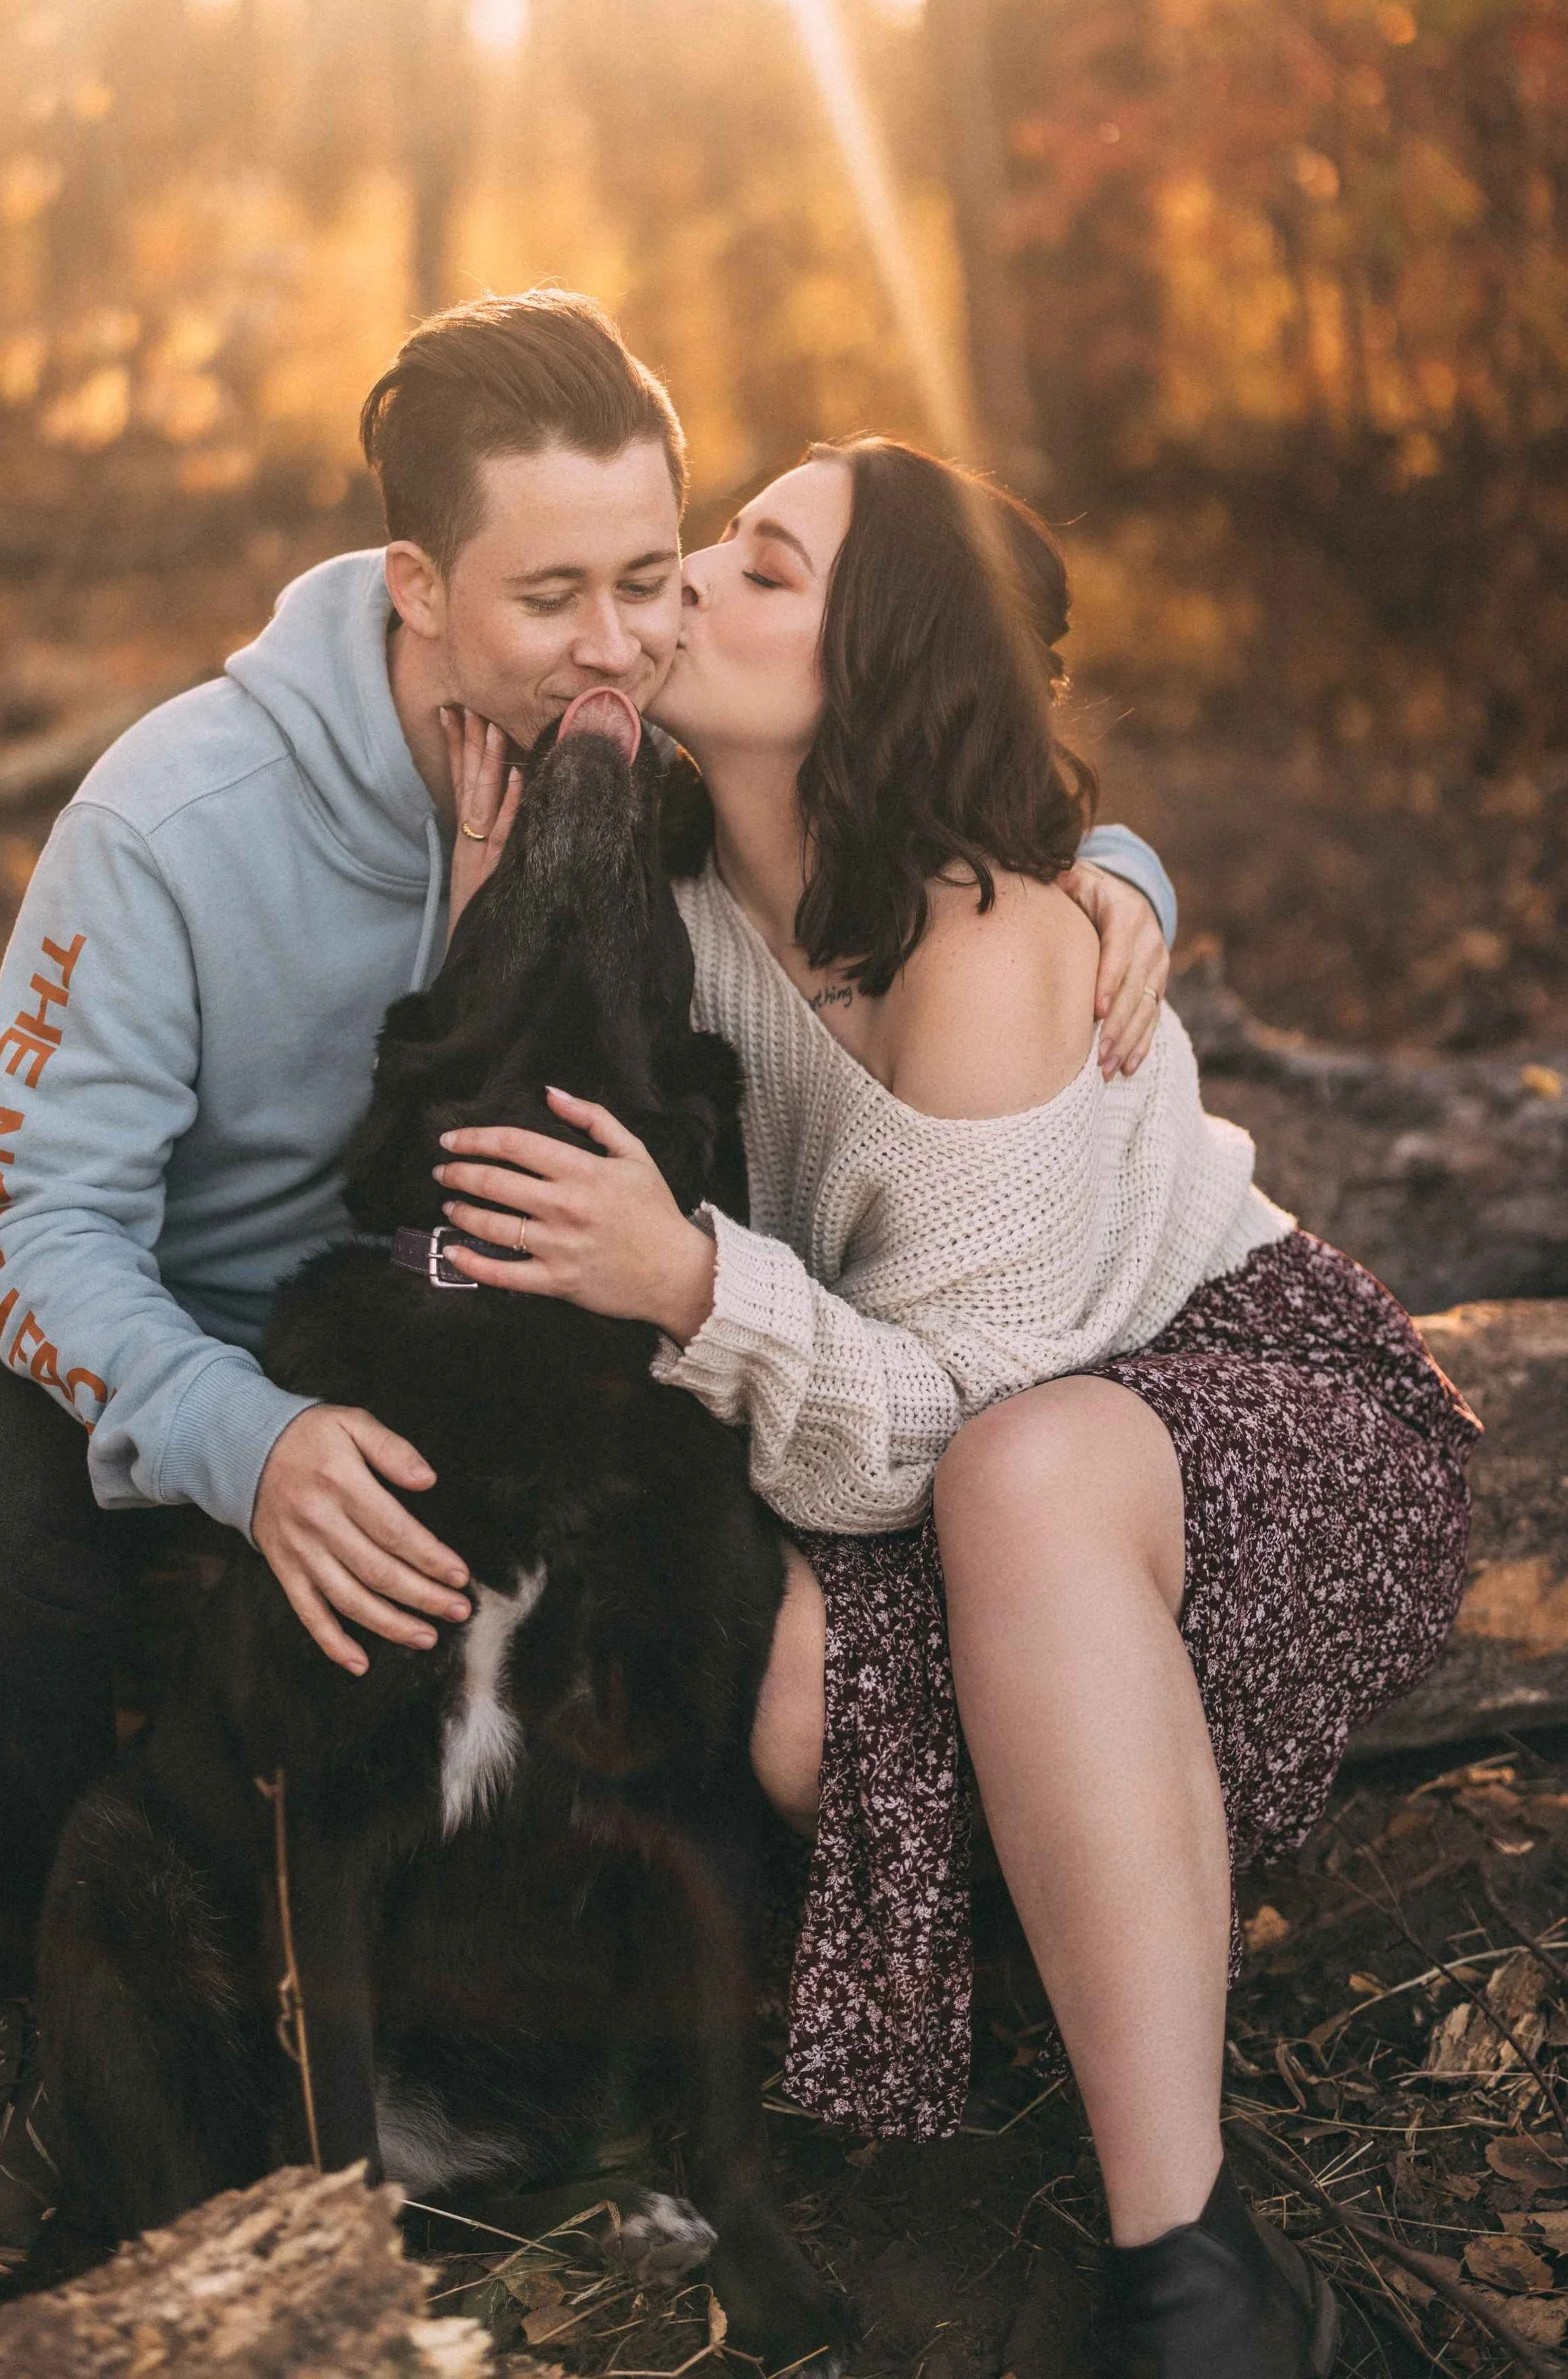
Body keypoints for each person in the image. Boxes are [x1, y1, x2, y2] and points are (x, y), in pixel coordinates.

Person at [0, 299, 1176, 2269]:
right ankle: (51, 2003)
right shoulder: (169, 821)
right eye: (551, 591)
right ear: (416, 581)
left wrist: (1116, 873)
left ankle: (624, 2052)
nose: (622, 637)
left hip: (539, 1350)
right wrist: (254, 1438)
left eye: (652, 576)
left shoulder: (628, 751)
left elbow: (900, 782)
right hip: (235, 1347)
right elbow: (27, 1222)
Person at [428, 437, 1477, 2379]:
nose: (690, 591)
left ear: (880, 654)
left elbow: (954, 1421)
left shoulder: (983, 943)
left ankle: (1200, 2269)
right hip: (924, 1421)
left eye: (762, 568)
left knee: (1019, 1469)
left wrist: (685, 1279)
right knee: (789, 1701)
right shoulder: (658, 842)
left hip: (1211, 1393)